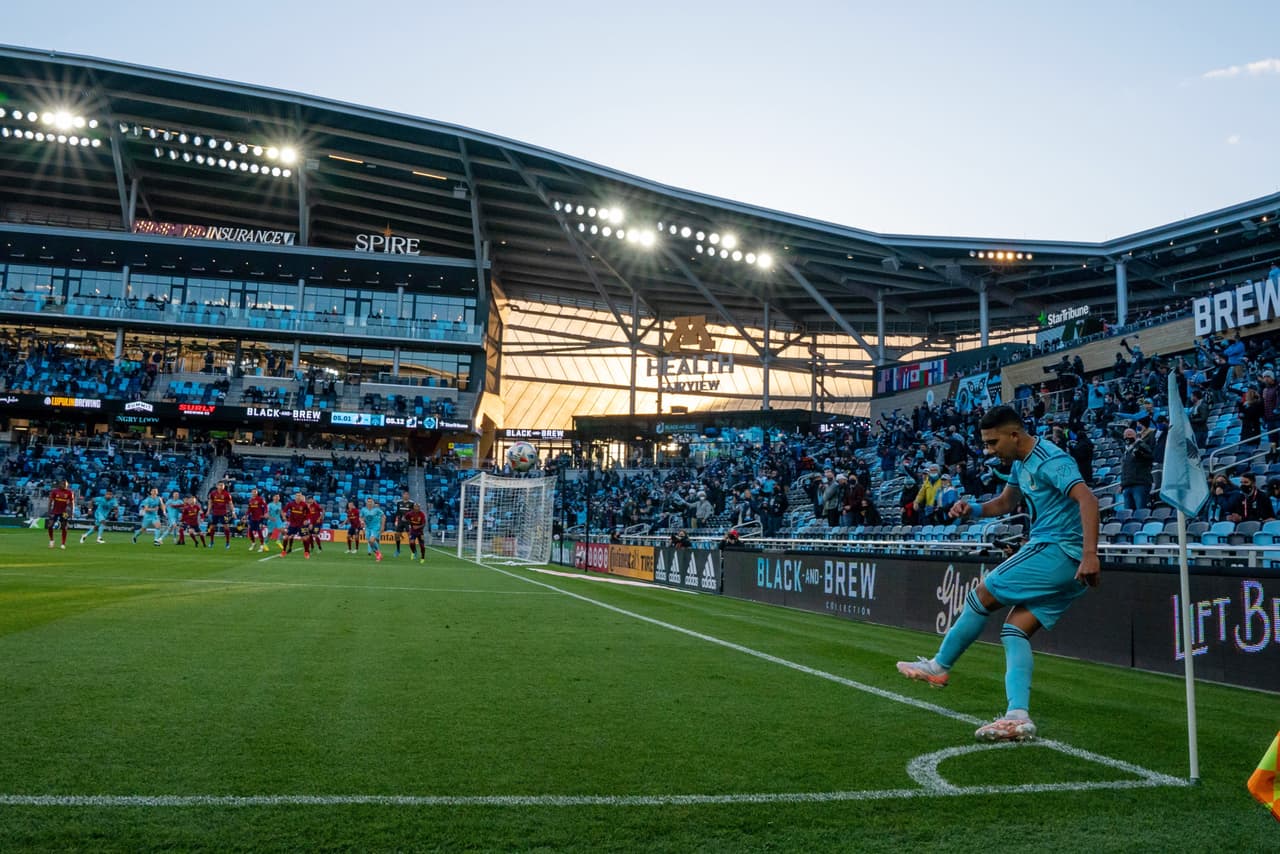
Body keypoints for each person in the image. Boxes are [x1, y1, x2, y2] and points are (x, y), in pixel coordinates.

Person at [896, 405, 1100, 743]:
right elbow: (1005, 504)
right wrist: (971, 508)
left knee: (981, 596)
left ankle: (940, 665)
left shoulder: (1051, 460)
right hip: (1065, 561)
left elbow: (1088, 500)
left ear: (1014, 435)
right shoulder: (1021, 463)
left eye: (992, 443)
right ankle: (1018, 717)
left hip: (1058, 551)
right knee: (1014, 632)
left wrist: (1090, 555)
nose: (989, 450)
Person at [1119, 427, 1155, 512]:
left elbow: (1150, 458)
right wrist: (1122, 484)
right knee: (1128, 513)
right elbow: (1125, 469)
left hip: (1140, 484)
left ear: (1135, 435)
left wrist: (1140, 454)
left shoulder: (1142, 445)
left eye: (1129, 435)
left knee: (1141, 511)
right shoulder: (1126, 451)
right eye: (1125, 435)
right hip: (1127, 485)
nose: (1127, 437)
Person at [45, 480, 75, 550]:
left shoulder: (69, 492)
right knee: (50, 525)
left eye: (66, 484)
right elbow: (50, 501)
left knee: (64, 527)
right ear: (60, 484)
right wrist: (49, 510)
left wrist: (72, 512)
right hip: (55, 511)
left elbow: (72, 503)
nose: (65, 485)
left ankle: (63, 543)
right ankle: (51, 540)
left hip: (64, 512)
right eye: (63, 484)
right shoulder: (55, 491)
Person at [206, 481, 235, 549]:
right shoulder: (213, 494)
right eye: (220, 485)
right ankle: (211, 542)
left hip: (224, 513)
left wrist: (233, 512)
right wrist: (208, 510)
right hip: (215, 513)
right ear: (217, 486)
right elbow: (210, 502)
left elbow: (230, 503)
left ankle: (227, 543)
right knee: (212, 527)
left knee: (226, 527)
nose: (221, 486)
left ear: (224, 486)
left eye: (222, 485)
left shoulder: (227, 494)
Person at [280, 491, 310, 557]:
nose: (298, 497)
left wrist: (306, 519)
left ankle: (306, 552)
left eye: (300, 495)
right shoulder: (291, 504)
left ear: (301, 497)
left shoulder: (304, 505)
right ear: (295, 496)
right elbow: (284, 510)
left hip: (301, 524)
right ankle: (284, 551)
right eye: (297, 495)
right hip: (292, 524)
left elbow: (308, 513)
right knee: (286, 537)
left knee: (305, 538)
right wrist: (284, 516)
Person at [361, 497, 385, 562]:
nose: (369, 503)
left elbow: (383, 516)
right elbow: (361, 517)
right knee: (370, 542)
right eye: (368, 501)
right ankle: (378, 553)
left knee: (372, 540)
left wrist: (382, 526)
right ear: (366, 502)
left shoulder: (376, 510)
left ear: (373, 503)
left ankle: (378, 554)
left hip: (375, 527)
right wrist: (362, 522)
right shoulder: (363, 510)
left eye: (371, 502)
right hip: (368, 528)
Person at [245, 488, 268, 552]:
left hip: (260, 518)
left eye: (255, 492)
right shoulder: (250, 500)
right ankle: (253, 543)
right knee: (250, 531)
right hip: (252, 518)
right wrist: (246, 515)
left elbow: (265, 505)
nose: (254, 493)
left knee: (259, 531)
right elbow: (249, 509)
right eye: (253, 492)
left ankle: (262, 546)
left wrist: (266, 512)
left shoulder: (260, 499)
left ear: (257, 492)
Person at [393, 490, 414, 557]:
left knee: (410, 536)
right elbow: (397, 512)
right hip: (400, 521)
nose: (406, 496)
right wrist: (396, 520)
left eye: (407, 495)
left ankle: (413, 552)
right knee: (397, 535)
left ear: (409, 496)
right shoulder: (399, 502)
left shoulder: (411, 503)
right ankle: (398, 550)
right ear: (402, 495)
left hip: (408, 522)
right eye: (404, 494)